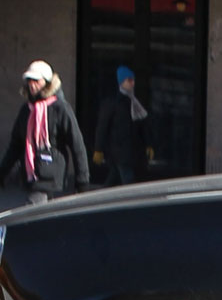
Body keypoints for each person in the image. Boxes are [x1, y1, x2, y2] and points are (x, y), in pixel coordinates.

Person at [0, 60, 90, 205]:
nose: (32, 85)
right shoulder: (26, 110)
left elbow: (77, 145)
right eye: (29, 81)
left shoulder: (60, 109)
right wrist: (3, 171)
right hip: (32, 175)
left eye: (36, 80)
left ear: (47, 82)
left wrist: (82, 181)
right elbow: (16, 145)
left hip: (51, 175)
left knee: (32, 214)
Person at [93, 65, 149, 185]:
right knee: (127, 180)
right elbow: (102, 127)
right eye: (129, 80)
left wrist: (148, 144)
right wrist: (98, 148)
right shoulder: (113, 103)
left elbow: (142, 126)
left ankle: (101, 199)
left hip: (132, 151)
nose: (132, 83)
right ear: (121, 82)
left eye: (133, 80)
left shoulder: (135, 102)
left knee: (114, 178)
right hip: (119, 151)